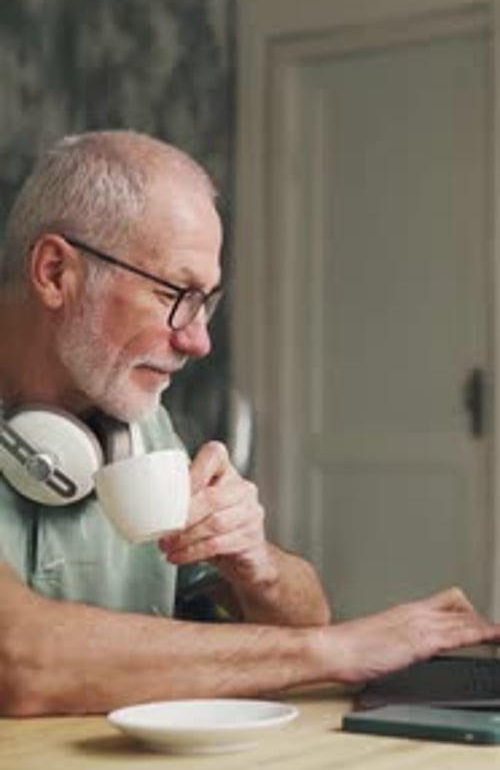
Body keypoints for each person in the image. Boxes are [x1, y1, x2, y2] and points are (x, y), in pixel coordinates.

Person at [0, 130, 498, 717]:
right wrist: (334, 651)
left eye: (206, 301)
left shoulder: (134, 420)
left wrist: (256, 565)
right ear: (56, 271)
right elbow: (20, 662)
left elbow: (304, 618)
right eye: (175, 294)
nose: (199, 339)